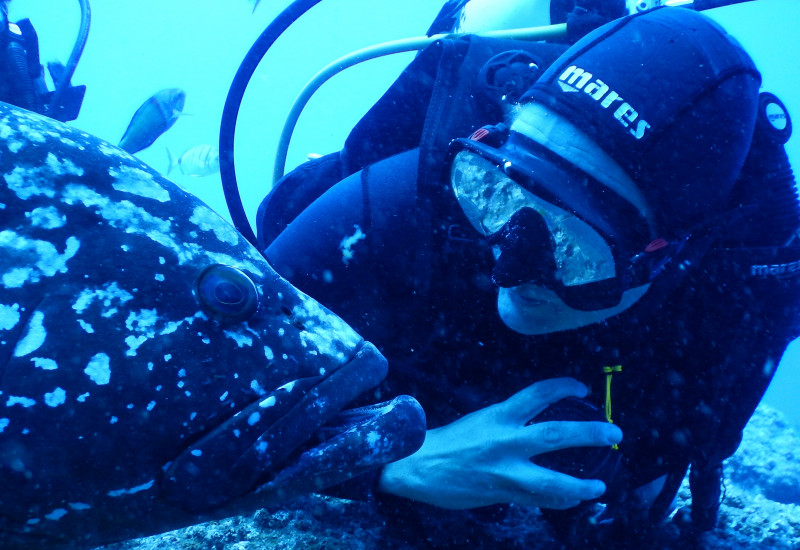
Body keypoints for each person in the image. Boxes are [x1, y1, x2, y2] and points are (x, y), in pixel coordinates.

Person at [257, 4, 800, 546]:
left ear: (664, 256)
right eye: (495, 193)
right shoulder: (404, 204)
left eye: (573, 245)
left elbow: (680, 454)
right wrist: (394, 463)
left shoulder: (727, 307)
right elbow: (215, 393)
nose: (508, 267)